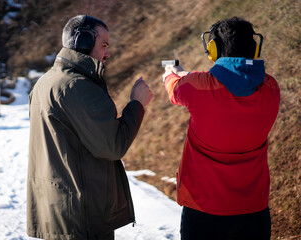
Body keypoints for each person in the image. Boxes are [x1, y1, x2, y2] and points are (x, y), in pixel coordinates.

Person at [27, 15, 153, 240]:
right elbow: (113, 146)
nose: (108, 53)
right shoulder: (78, 87)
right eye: (103, 45)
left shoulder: (45, 82)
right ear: (82, 42)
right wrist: (137, 104)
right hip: (81, 216)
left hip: (58, 210)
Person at [162, 16, 280, 240]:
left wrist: (171, 73)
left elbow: (175, 90)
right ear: (255, 50)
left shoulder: (196, 86)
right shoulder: (271, 88)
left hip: (204, 207)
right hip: (254, 207)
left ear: (213, 49)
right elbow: (229, 84)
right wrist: (192, 77)